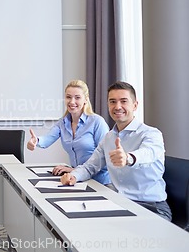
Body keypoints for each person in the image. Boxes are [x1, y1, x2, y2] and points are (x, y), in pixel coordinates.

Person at [60, 81, 172, 221]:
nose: (117, 106)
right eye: (112, 102)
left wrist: (128, 158)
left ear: (135, 105)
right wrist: (74, 176)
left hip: (151, 207)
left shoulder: (151, 134)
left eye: (123, 101)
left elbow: (148, 153)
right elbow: (90, 166)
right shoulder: (109, 137)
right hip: (119, 202)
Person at [26, 80, 111, 185]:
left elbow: (105, 158)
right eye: (68, 97)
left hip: (100, 182)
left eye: (77, 97)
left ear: (86, 100)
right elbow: (47, 139)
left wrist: (74, 171)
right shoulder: (63, 122)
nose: (72, 101)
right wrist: (35, 141)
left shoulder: (97, 122)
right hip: (77, 180)